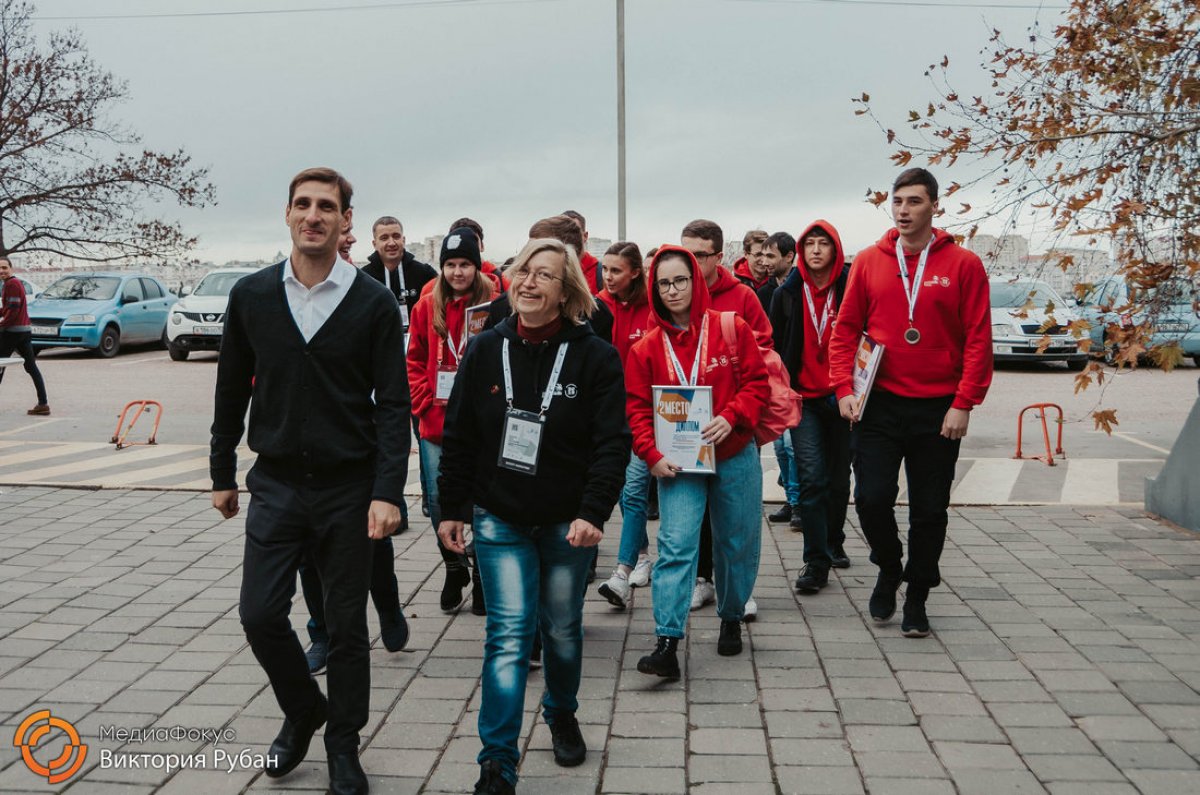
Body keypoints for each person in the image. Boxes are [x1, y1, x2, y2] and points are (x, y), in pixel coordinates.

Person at [210, 167, 410, 795]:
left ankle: (343, 744)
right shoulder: (252, 295)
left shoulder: (372, 302)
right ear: (288, 214)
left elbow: (393, 404)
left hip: (349, 488)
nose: (314, 215)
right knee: (260, 613)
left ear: (346, 221)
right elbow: (228, 388)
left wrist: (387, 490)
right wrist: (221, 470)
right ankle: (304, 710)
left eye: (328, 206)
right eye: (303, 204)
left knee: (346, 628)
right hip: (276, 483)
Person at [437, 238, 629, 795]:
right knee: (508, 635)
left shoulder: (595, 356)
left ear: (567, 291)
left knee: (563, 630)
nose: (529, 282)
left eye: (544, 275)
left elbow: (611, 444)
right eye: (524, 271)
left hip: (569, 521)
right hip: (499, 517)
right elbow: (461, 437)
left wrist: (595, 512)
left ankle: (561, 711)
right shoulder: (485, 348)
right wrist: (453, 508)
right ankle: (496, 760)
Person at [829, 168, 992, 637]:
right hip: (879, 405)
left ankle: (918, 592)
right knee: (871, 498)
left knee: (929, 509)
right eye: (897, 201)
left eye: (914, 201)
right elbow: (845, 332)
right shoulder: (868, 262)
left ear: (934, 207)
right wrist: (844, 390)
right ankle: (888, 564)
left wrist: (964, 403)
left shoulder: (963, 264)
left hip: (938, 408)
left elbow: (979, 339)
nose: (903, 210)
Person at [626, 246, 768, 677]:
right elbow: (635, 410)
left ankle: (730, 616)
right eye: (664, 283)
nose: (673, 290)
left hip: (733, 452)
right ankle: (667, 640)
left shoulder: (730, 328)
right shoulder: (646, 349)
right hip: (678, 464)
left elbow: (758, 383)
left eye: (680, 280)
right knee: (676, 545)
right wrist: (651, 455)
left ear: (696, 282)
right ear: (654, 287)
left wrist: (733, 415)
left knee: (737, 541)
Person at [298, 225, 410, 675]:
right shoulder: (293, 295)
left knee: (373, 541)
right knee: (310, 554)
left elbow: (391, 395)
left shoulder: (365, 295)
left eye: (346, 240)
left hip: (359, 446)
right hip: (305, 455)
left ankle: (387, 605)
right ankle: (321, 633)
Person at [678, 219, 773, 619]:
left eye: (700, 255)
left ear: (718, 257)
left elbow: (764, 350)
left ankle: (737, 588)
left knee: (737, 519)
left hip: (733, 427)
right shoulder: (672, 296)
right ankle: (703, 580)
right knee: (693, 517)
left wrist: (734, 403)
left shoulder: (743, 296)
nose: (691, 262)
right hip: (686, 427)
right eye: (685, 253)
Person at [408, 228, 496, 615]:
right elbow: (413, 359)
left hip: (479, 426)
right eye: (450, 265)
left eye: (464, 265)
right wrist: (425, 402)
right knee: (439, 498)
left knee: (479, 501)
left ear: (477, 267)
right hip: (437, 422)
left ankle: (481, 577)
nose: (457, 272)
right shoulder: (428, 305)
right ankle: (454, 566)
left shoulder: (494, 306)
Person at [771, 222, 853, 594]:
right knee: (812, 478)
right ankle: (815, 561)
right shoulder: (787, 293)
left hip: (843, 396)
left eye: (824, 244)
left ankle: (834, 541)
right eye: (810, 244)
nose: (816, 250)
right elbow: (773, 349)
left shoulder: (850, 287)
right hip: (803, 398)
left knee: (838, 479)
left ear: (835, 250)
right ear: (801, 252)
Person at [595, 242, 656, 609]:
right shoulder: (598, 305)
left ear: (635, 271)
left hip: (645, 412)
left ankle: (621, 572)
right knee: (624, 492)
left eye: (616, 270)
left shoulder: (653, 306)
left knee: (633, 491)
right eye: (605, 269)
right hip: (609, 412)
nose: (608, 277)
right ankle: (644, 556)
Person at [757, 232, 801, 525]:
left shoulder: (798, 289)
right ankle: (791, 498)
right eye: (762, 256)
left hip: (796, 378)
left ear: (789, 257)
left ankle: (799, 503)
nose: (765, 262)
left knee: (790, 445)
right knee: (779, 446)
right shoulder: (764, 292)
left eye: (771, 256)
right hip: (774, 379)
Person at [0, 256, 50, 415]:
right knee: (31, 366)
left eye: (4, 268)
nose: (1, 271)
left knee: (0, 365)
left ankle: (43, 404)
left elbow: (13, 311)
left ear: (11, 268)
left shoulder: (12, 284)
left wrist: (1, 325)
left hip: (12, 332)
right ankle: (43, 404)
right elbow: (10, 308)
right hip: (24, 331)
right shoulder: (12, 283)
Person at [561, 209, 603, 295]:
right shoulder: (553, 270)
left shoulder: (601, 273)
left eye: (573, 231)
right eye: (563, 231)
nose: (567, 237)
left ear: (585, 236)